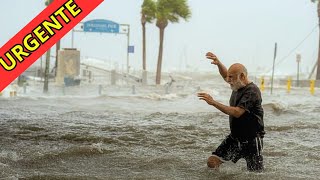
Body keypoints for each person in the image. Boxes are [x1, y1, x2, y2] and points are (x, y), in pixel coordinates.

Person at [197, 52, 265, 172]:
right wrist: (218, 64)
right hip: (235, 138)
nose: (228, 80)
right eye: (228, 77)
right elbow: (226, 75)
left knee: (255, 175)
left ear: (242, 76)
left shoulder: (252, 91)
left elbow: (237, 112)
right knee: (212, 162)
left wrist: (213, 102)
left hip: (252, 140)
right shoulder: (236, 84)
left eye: (231, 77)